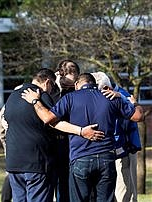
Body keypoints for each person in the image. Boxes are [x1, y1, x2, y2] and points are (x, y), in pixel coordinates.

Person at [21, 73, 144, 202]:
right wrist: (135, 103)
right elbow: (138, 117)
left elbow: (47, 118)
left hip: (80, 157)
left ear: (76, 85)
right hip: (106, 158)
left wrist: (35, 101)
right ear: (95, 85)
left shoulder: (70, 98)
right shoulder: (111, 97)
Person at [4, 69, 104, 202]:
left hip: (14, 162)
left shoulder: (12, 96)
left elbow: (6, 121)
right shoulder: (42, 96)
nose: (52, 91)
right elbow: (54, 122)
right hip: (36, 162)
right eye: (52, 87)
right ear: (47, 83)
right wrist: (81, 131)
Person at [92, 72, 141, 202]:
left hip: (123, 149)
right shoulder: (111, 95)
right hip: (108, 149)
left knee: (124, 190)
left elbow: (136, 116)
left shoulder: (122, 96)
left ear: (106, 89)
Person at [53, 59, 80, 202]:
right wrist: (58, 86)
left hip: (77, 145)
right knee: (61, 187)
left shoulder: (80, 91)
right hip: (58, 145)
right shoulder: (54, 91)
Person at [0, 105, 12, 202]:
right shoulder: (10, 106)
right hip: (14, 144)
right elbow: (2, 128)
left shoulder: (9, 104)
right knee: (11, 174)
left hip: (11, 143)